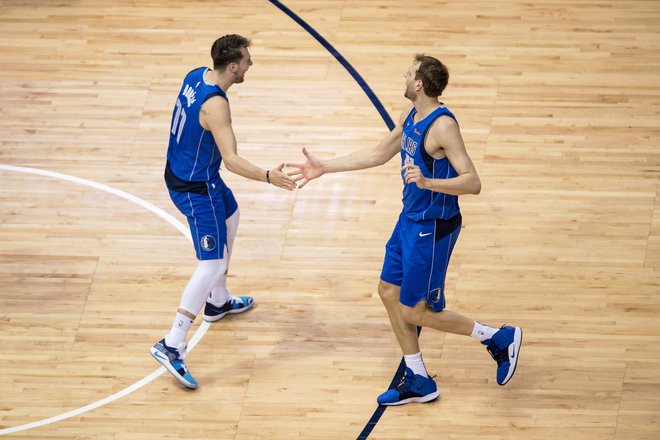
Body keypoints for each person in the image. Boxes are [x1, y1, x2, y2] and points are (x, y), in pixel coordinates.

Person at [287, 54, 522, 405]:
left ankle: (497, 337)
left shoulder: (442, 126)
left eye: (409, 72)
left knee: (414, 311)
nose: (404, 75)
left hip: (434, 227)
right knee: (387, 291)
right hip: (409, 220)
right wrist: (325, 167)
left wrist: (428, 182)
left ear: (419, 85)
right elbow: (378, 153)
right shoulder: (411, 115)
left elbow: (473, 182)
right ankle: (418, 378)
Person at [151, 34, 296, 389]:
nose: (251, 63)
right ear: (232, 67)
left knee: (232, 217)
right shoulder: (216, 105)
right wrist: (267, 176)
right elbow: (231, 160)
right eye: (247, 59)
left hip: (192, 173)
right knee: (211, 262)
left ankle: (217, 302)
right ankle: (172, 343)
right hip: (196, 188)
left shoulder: (196, 74)